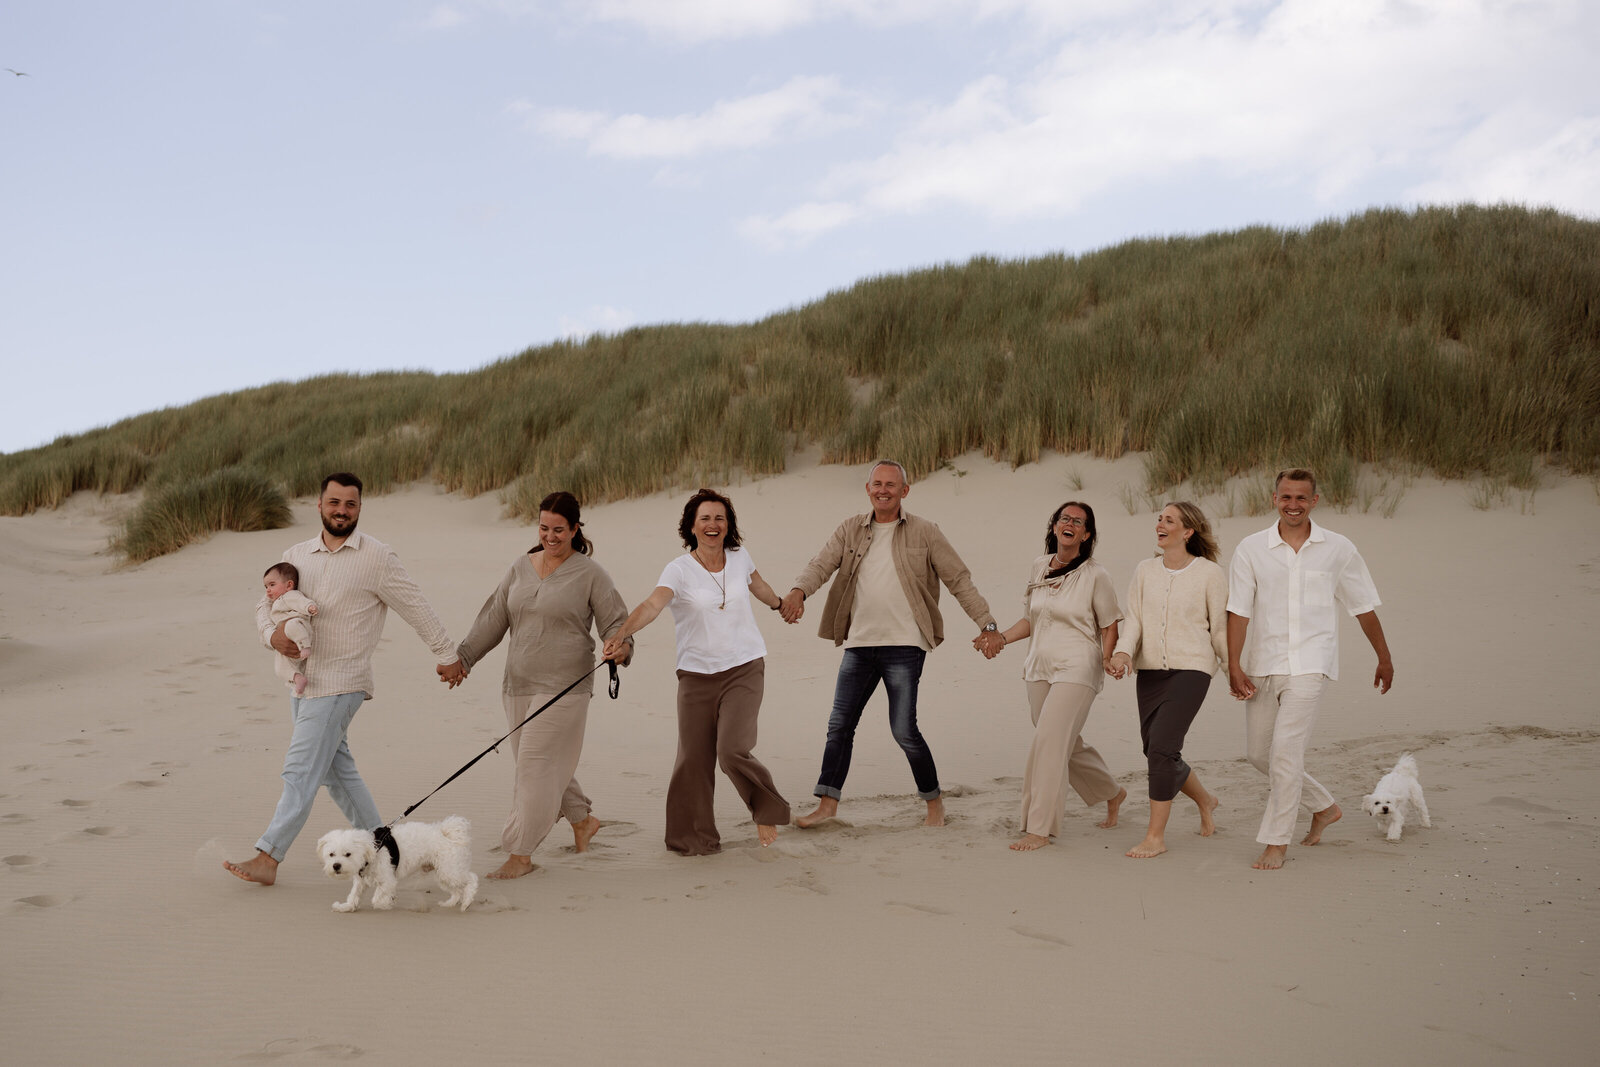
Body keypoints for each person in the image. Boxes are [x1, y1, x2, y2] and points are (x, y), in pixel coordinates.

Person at [225, 473, 462, 886]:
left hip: (343, 682)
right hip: (303, 682)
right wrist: (271, 636)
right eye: (334, 502)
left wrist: (446, 654)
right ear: (319, 504)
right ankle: (388, 852)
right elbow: (266, 606)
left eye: (350, 504)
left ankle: (268, 856)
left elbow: (416, 607)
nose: (341, 510)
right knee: (338, 775)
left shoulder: (377, 557)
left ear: (359, 509)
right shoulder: (296, 555)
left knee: (300, 771)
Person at [782, 459, 997, 829]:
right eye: (877, 484)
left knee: (903, 729)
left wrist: (987, 623)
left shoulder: (926, 532)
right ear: (868, 489)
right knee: (840, 725)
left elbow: (958, 579)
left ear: (904, 491)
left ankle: (934, 804)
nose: (883, 490)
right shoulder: (850, 529)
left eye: (891, 485)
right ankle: (827, 805)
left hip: (905, 644)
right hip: (860, 644)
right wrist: (799, 591)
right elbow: (820, 565)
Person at [601, 488, 791, 856]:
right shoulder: (679, 570)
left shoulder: (739, 556)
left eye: (719, 518)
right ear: (691, 525)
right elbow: (653, 605)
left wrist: (780, 604)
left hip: (744, 668)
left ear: (728, 525)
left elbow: (758, 586)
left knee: (732, 749)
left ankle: (765, 809)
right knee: (693, 759)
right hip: (696, 675)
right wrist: (621, 633)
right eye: (704, 518)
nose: (713, 525)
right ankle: (694, 840)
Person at [453, 492, 630, 879]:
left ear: (575, 529)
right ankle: (583, 821)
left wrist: (621, 647)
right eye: (544, 528)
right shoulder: (520, 567)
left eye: (559, 530)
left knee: (533, 768)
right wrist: (463, 659)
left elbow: (615, 622)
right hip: (518, 684)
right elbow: (493, 618)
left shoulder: (590, 573)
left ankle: (520, 854)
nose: (551, 536)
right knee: (540, 764)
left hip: (566, 685)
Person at [1227, 467, 1394, 871]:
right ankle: (1323, 806)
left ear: (1315, 501)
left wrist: (1384, 657)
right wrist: (1233, 664)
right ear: (1274, 499)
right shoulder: (1250, 548)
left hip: (1311, 664)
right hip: (1263, 664)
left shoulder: (1338, 548)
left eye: (1301, 498)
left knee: (1285, 753)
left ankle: (1276, 842)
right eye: (1286, 497)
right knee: (1258, 754)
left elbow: (1362, 607)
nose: (1293, 505)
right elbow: (1238, 611)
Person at [978, 501, 1127, 850]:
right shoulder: (1039, 567)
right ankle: (1112, 792)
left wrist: (1108, 657)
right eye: (1064, 518)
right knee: (1063, 742)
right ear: (1055, 526)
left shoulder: (1095, 575)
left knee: (1048, 742)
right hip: (1039, 666)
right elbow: (1031, 619)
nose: (1070, 523)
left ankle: (1039, 828)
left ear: (1086, 534)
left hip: (1078, 666)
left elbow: (1109, 624)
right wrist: (1000, 638)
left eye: (1078, 521)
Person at [1106, 502, 1226, 858]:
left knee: (1160, 747)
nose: (1160, 524)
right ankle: (1206, 800)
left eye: (1169, 520)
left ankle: (1155, 837)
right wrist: (1124, 652)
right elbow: (1136, 621)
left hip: (1193, 669)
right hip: (1151, 672)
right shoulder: (1145, 570)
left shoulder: (1210, 574)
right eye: (1159, 519)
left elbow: (1220, 629)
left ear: (1187, 531)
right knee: (1156, 749)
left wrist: (1236, 668)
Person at [259, 561, 317, 696]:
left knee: (292, 624)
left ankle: (305, 646)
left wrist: (310, 607)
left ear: (289, 585)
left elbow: (301, 601)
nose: (268, 590)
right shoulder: (275, 602)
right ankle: (297, 678)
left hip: (300, 626)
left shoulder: (290, 595)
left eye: (272, 585)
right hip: (286, 635)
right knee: (279, 664)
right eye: (266, 586)